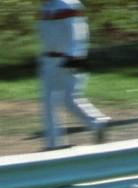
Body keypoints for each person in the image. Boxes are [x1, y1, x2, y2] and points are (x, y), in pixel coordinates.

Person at [37, 0, 110, 150]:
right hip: (48, 60)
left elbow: (78, 32)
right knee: (48, 102)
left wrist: (75, 56)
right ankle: (53, 144)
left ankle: (97, 122)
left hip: (66, 59)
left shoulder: (68, 5)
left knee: (70, 100)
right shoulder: (45, 7)